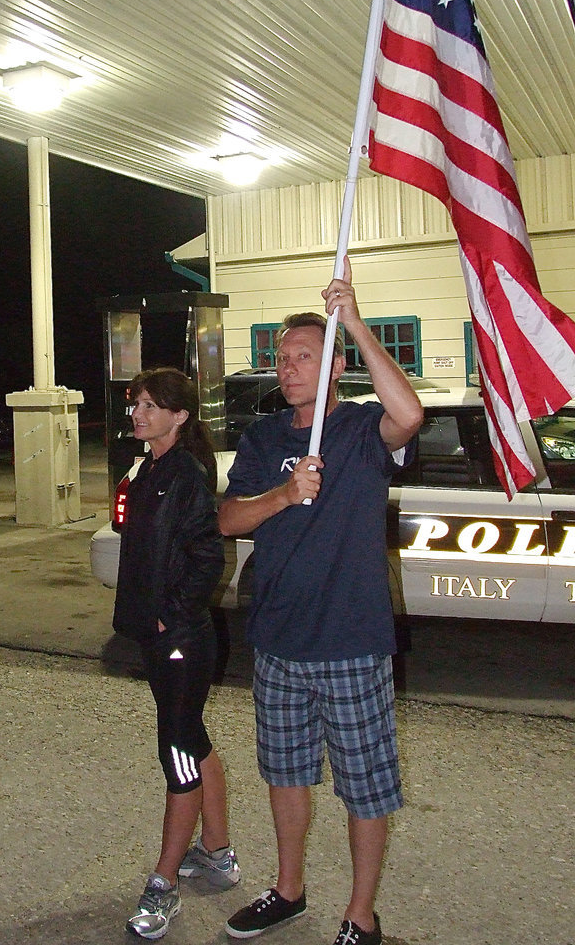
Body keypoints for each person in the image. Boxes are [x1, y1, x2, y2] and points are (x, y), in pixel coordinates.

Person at [220, 258, 423, 945]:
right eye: (282, 357)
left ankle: (360, 916)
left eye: (306, 355)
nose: (289, 367)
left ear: (336, 367)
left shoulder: (362, 430)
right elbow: (226, 519)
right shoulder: (264, 436)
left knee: (364, 788)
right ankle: (289, 890)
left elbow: (411, 413)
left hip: (351, 640)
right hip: (278, 637)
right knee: (285, 776)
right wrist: (282, 495)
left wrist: (357, 323)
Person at [113, 367, 241, 940]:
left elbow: (209, 557)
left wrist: (172, 613)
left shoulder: (186, 474)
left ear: (179, 416)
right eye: (134, 404)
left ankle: (163, 884)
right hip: (158, 634)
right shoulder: (151, 469)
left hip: (181, 640)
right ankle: (218, 854)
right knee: (193, 738)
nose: (136, 414)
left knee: (178, 752)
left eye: (148, 406)